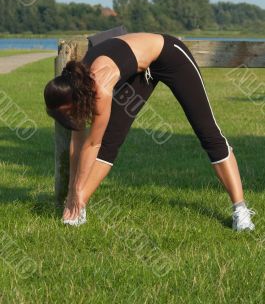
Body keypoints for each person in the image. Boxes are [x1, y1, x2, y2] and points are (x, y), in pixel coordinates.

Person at [44, 32, 255, 230]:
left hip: (169, 56)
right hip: (139, 70)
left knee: (208, 134)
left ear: (76, 98)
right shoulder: (77, 85)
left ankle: (241, 210)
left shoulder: (100, 85)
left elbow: (92, 144)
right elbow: (77, 142)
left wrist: (77, 190)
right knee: (111, 142)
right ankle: (77, 211)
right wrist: (72, 191)